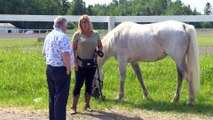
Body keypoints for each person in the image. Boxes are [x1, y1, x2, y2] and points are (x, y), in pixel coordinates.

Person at [42, 16, 74, 120]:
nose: (67, 27)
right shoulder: (62, 36)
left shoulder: (49, 35)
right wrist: (68, 68)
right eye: (66, 25)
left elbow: (44, 52)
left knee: (52, 96)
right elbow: (65, 53)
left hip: (50, 68)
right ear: (62, 25)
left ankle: (53, 118)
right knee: (61, 98)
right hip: (61, 69)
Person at [70, 14, 103, 114]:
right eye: (82, 22)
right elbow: (73, 49)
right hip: (80, 64)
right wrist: (75, 63)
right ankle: (73, 106)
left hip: (92, 64)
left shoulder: (96, 34)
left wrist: (98, 53)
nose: (84, 24)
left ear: (89, 22)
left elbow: (100, 46)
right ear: (80, 24)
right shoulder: (77, 34)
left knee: (89, 84)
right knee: (78, 85)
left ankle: (87, 105)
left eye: (86, 22)